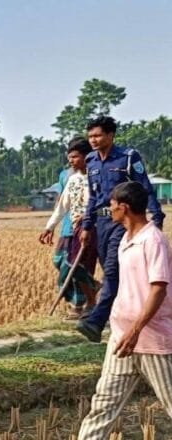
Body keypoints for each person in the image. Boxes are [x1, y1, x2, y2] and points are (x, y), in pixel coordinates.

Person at [77, 182, 172, 439]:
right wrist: (125, 331)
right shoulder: (125, 239)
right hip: (121, 338)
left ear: (124, 207)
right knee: (103, 405)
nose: (110, 208)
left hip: (150, 340)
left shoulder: (153, 241)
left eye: (112, 204)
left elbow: (158, 289)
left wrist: (136, 330)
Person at [77, 116, 165, 343]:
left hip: (124, 222)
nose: (93, 140)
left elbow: (144, 187)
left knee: (112, 270)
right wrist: (87, 225)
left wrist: (156, 215)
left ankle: (95, 322)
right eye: (90, 136)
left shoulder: (128, 157)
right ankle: (124, 315)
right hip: (101, 223)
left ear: (110, 135)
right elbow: (93, 197)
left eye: (97, 135)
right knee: (114, 273)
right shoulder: (91, 161)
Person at [39, 138, 99, 320]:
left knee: (77, 265)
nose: (71, 161)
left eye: (75, 157)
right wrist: (49, 227)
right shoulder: (72, 179)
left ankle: (90, 302)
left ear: (87, 157)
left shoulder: (97, 177)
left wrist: (90, 218)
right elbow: (62, 205)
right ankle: (92, 293)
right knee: (72, 264)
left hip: (94, 227)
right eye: (70, 157)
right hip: (75, 228)